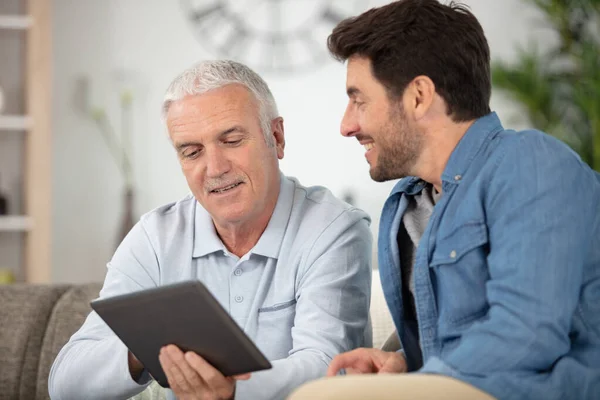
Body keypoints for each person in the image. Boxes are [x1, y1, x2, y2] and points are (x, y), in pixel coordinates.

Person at [288, 1, 600, 399]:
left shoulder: (532, 165)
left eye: (359, 100)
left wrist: (422, 383)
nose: (347, 125)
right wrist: (405, 362)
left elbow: (527, 332)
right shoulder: (407, 204)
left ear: (419, 96)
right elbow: (463, 333)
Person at [49, 60, 373, 400]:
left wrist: (232, 390)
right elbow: (64, 384)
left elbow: (328, 367)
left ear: (275, 138)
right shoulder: (155, 237)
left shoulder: (334, 229)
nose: (215, 168)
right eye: (192, 152)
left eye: (232, 140)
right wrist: (146, 343)